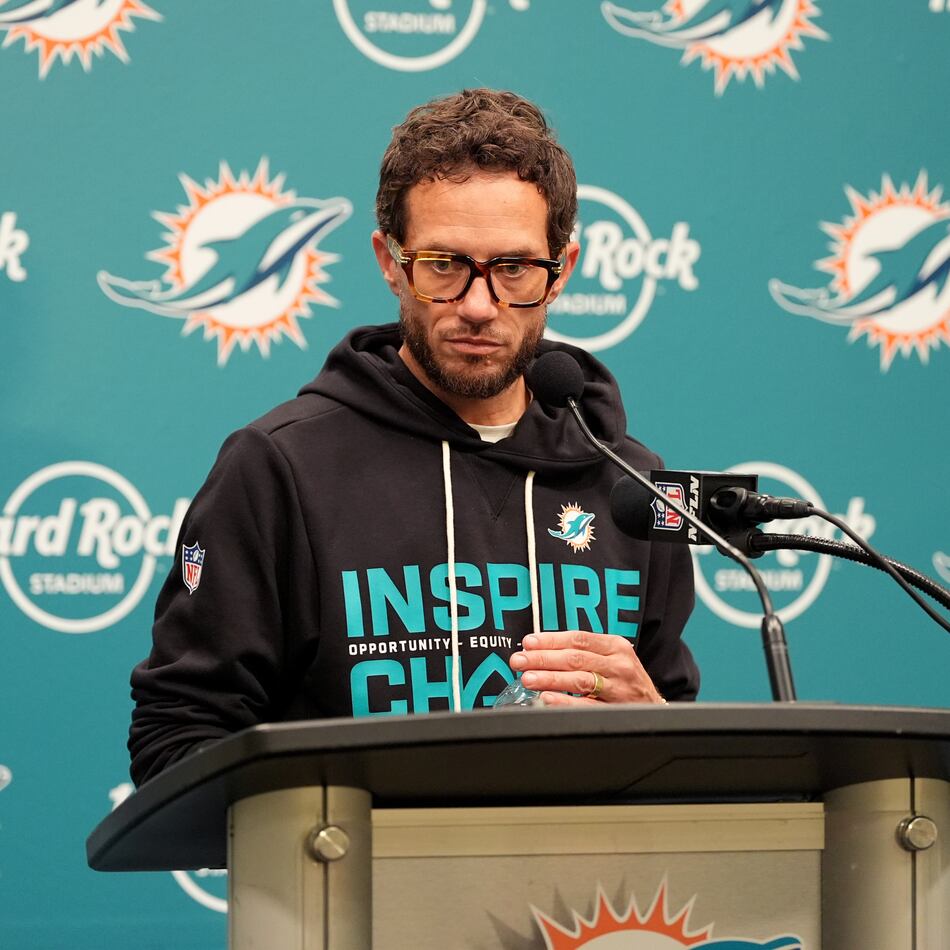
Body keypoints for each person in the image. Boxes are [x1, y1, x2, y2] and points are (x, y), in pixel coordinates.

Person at [128, 88, 699, 787]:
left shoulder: (631, 485)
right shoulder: (280, 469)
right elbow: (177, 736)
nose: (479, 306)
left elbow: (680, 756)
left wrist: (657, 725)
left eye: (514, 268)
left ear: (562, 271)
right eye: (444, 265)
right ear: (390, 261)